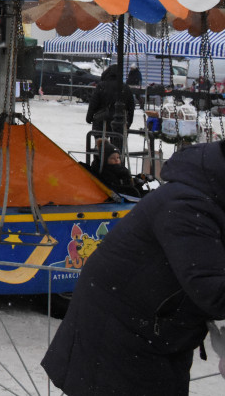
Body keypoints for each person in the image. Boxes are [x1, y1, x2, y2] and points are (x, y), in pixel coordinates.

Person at [42, 140, 225, 395]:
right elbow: (212, 288)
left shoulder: (209, 196)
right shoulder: (188, 205)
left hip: (153, 335)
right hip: (120, 340)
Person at [86, 65, 136, 143]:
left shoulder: (101, 86)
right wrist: (129, 122)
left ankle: (99, 154)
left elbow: (93, 103)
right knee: (117, 147)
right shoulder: (125, 87)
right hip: (119, 122)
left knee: (99, 146)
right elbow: (131, 106)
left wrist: (89, 117)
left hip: (101, 120)